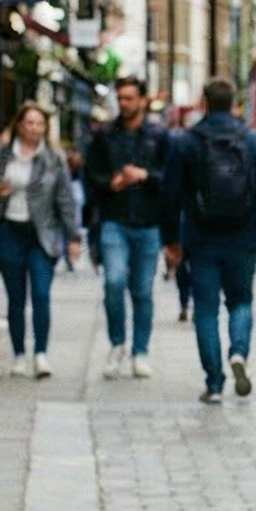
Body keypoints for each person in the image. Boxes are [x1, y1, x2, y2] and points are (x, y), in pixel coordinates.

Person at [162, 78, 256, 404]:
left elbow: (170, 195)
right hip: (242, 236)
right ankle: (239, 351)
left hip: (201, 237)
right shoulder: (251, 140)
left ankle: (214, 383)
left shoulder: (187, 141)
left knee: (205, 309)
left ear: (204, 102)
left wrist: (170, 240)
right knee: (241, 301)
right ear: (233, 103)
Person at [0, 102, 80, 378]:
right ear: (19, 125)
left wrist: (74, 236)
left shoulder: (53, 158)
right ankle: (19, 355)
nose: (34, 128)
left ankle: (41, 355)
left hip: (42, 233)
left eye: (39, 123)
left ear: (45, 127)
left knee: (41, 293)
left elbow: (65, 198)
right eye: (29, 123)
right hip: (9, 231)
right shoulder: (2, 155)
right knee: (16, 297)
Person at [84, 76, 169, 379]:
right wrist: (111, 183)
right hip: (114, 220)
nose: (124, 103)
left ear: (143, 100)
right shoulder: (104, 136)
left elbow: (171, 178)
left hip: (148, 223)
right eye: (120, 98)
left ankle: (140, 351)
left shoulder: (159, 136)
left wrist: (145, 176)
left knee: (143, 291)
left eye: (130, 98)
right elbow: (90, 176)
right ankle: (117, 343)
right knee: (114, 281)